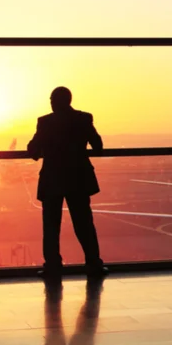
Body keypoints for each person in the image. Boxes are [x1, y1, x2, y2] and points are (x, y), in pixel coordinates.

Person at [27, 86, 107, 278]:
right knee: (84, 224)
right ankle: (93, 263)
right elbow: (98, 147)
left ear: (55, 101)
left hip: (52, 179)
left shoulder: (45, 123)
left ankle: (53, 266)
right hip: (78, 179)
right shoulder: (83, 119)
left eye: (52, 100)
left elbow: (33, 150)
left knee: (51, 226)